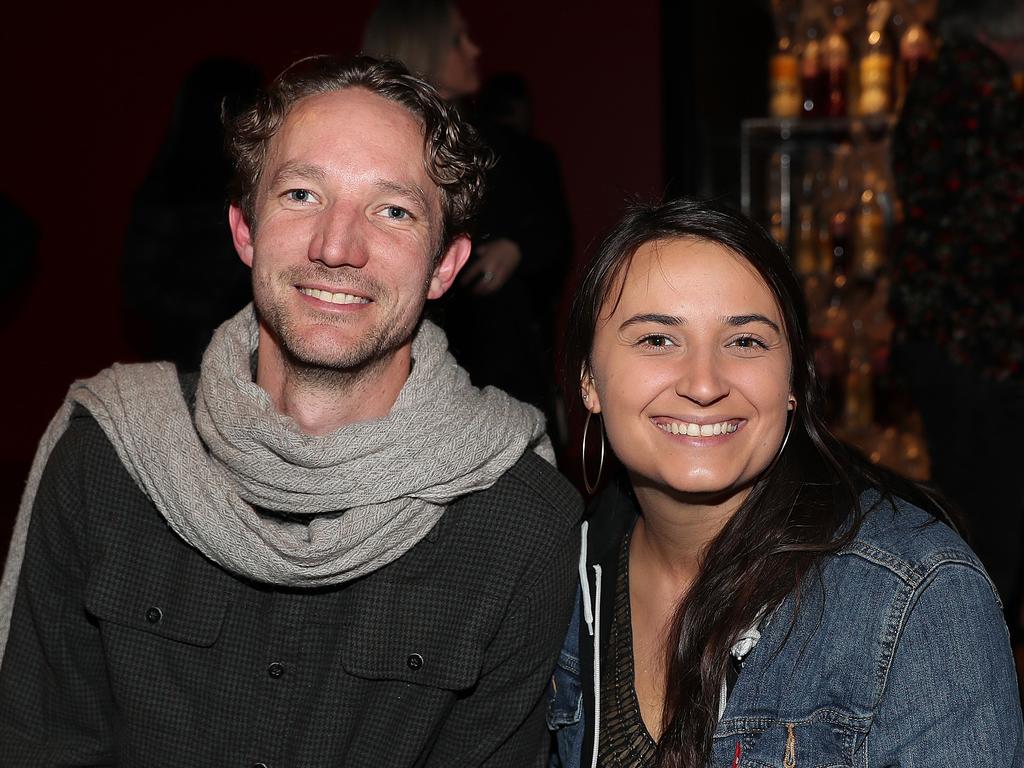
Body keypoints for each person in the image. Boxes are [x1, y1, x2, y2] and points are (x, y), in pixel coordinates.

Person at [0, 55, 581, 766]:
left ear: (444, 267)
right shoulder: (107, 459)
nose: (336, 246)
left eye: (392, 210)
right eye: (302, 195)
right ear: (245, 231)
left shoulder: (522, 521)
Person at [547, 198, 1022, 767]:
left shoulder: (919, 599)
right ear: (588, 382)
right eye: (657, 339)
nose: (703, 383)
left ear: (794, 381)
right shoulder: (554, 579)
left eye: (745, 341)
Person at [363, 1, 573, 428]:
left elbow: (556, 235)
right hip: (387, 365)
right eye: (459, 38)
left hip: (497, 364)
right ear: (422, 46)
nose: (475, 49)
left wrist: (517, 249)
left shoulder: (509, 150)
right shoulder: (362, 143)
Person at [890, 0, 1024, 629]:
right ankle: (974, 669)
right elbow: (1003, 225)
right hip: (986, 343)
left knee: (960, 508)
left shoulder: (931, 87)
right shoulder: (988, 93)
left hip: (934, 333)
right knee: (997, 522)